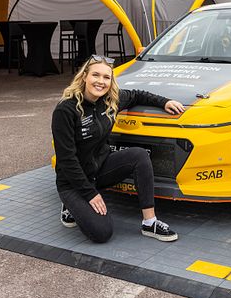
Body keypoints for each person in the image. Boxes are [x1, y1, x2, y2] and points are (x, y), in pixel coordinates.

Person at [51, 54, 185, 243]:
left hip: (99, 170)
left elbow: (138, 94)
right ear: (84, 77)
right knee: (101, 233)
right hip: (72, 181)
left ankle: (150, 222)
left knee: (139, 155)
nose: (101, 82)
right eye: (95, 75)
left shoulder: (111, 101)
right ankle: (69, 204)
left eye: (107, 77)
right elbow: (66, 160)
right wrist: (90, 194)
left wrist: (165, 102)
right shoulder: (66, 110)